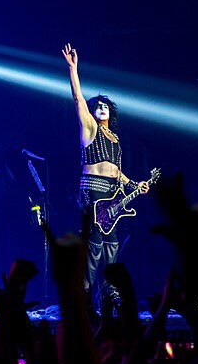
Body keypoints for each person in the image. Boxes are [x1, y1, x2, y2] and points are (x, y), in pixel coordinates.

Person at [61, 43, 149, 311]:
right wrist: (73, 69)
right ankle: (84, 294)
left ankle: (109, 292)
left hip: (113, 191)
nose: (100, 107)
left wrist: (133, 184)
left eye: (104, 105)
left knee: (112, 242)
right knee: (95, 241)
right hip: (92, 189)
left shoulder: (116, 139)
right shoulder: (89, 128)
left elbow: (116, 170)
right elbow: (78, 99)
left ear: (111, 112)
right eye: (96, 105)